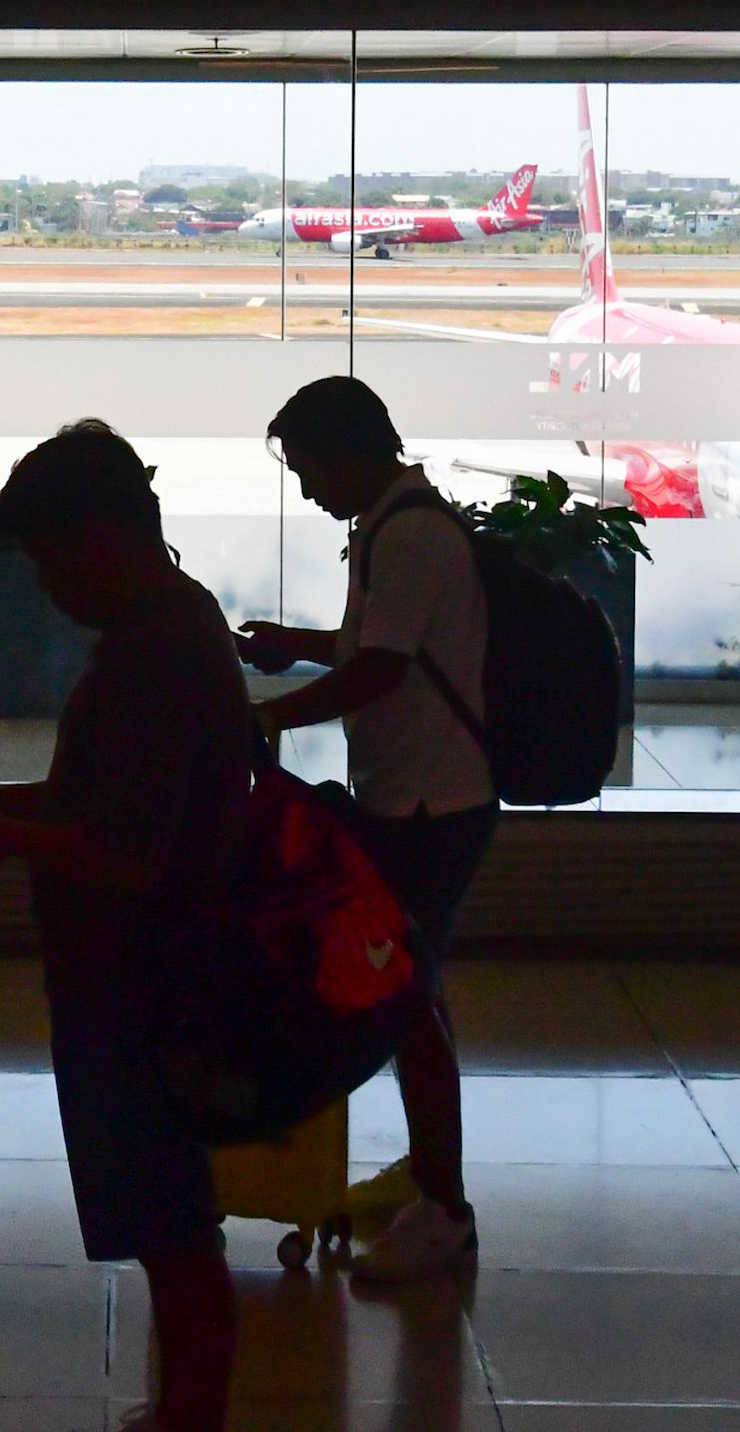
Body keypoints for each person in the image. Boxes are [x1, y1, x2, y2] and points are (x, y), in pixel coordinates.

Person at [0, 422, 243, 1432]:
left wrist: (4, 834)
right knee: (171, 1220)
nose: (51, 591)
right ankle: (187, 1408)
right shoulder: (172, 625)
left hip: (142, 979)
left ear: (102, 538)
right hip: (146, 972)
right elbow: (103, 804)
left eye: (55, 564)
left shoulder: (155, 653)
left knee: (172, 1225)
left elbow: (129, 851)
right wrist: (0, 807)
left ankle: (192, 1414)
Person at [237, 376, 497, 1285]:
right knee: (416, 988)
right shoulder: (394, 524)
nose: (309, 489)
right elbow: (381, 644)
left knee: (406, 999)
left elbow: (383, 667)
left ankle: (446, 1211)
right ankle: (429, 1173)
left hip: (430, 802)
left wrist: (273, 716)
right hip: (413, 793)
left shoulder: (412, 533)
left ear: (351, 452)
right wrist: (300, 644)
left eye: (311, 469)